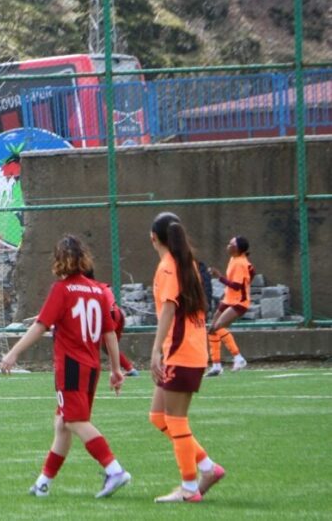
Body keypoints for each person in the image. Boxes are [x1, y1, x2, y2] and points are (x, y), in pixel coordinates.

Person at [0, 236, 131, 498]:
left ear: (59, 260)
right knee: (62, 423)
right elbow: (110, 333)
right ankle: (43, 483)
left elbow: (40, 326)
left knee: (75, 421)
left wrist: (13, 352)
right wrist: (116, 369)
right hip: (91, 367)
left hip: (70, 366)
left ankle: (114, 469)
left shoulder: (62, 289)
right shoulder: (97, 290)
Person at [147, 212, 226, 503]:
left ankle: (190, 488)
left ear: (153, 237)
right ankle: (207, 468)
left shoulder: (169, 267)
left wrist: (156, 351)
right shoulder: (187, 264)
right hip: (189, 350)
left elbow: (168, 310)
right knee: (158, 417)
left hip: (181, 352)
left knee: (176, 420)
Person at [207, 236, 253, 376]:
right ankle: (216, 365)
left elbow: (237, 285)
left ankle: (238, 358)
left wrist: (219, 276)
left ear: (237, 248)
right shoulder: (235, 259)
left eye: (231, 244)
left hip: (239, 302)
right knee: (212, 330)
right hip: (228, 299)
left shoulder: (240, 262)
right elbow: (252, 271)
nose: (228, 245)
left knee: (217, 327)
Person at [85, 269, 137, 377]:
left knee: (106, 343)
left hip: (112, 314)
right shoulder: (101, 286)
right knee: (107, 346)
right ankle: (129, 369)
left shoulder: (87, 289)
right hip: (118, 314)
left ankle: (94, 367)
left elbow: (108, 307)